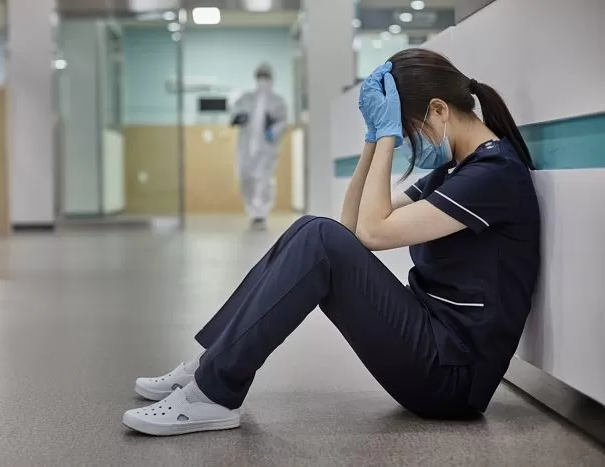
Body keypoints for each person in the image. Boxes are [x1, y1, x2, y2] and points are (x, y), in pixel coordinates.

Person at [123, 48, 541, 437]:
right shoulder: (456, 172)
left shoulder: (493, 174)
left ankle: (212, 392)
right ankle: (211, 367)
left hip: (452, 377)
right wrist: (372, 137)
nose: (409, 146)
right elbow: (353, 226)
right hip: (431, 342)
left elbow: (372, 234)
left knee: (319, 237)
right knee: (312, 229)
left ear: (438, 110)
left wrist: (386, 140)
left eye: (408, 134)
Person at [229, 63, 288, 230]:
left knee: (264, 180)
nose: (263, 80)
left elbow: (283, 122)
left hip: (266, 149)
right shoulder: (246, 98)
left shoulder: (278, 101)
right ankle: (251, 210)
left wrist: (273, 129)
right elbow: (234, 114)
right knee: (244, 178)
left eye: (266, 76)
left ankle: (260, 215)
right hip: (246, 149)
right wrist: (238, 117)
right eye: (260, 76)